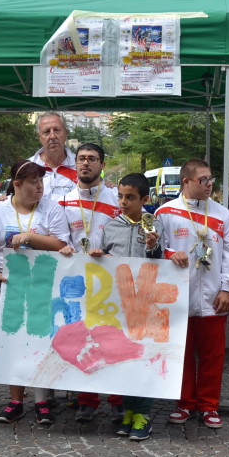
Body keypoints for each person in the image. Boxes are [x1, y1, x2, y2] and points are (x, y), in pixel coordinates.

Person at [0, 159, 69, 425]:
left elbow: (61, 243)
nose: (39, 187)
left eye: (41, 181)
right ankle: (16, 401)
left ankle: (41, 400)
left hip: (42, 287)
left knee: (41, 343)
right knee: (11, 346)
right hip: (7, 288)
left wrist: (30, 237)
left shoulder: (50, 208)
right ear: (17, 184)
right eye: (33, 182)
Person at [157, 159, 229, 429]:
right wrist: (170, 253)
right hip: (179, 296)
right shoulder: (165, 213)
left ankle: (209, 405)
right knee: (183, 352)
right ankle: (185, 402)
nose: (209, 184)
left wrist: (227, 287)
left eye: (211, 179)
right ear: (186, 182)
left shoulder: (223, 214)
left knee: (213, 354)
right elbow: (157, 250)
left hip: (214, 295)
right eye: (203, 180)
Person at [88, 172, 164, 440]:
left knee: (143, 358)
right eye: (120, 196)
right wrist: (98, 256)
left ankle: (143, 414)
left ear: (144, 199)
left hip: (145, 304)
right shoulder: (111, 227)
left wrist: (154, 248)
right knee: (124, 357)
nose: (123, 202)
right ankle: (129, 412)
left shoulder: (155, 224)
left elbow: (161, 261)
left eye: (130, 197)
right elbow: (103, 259)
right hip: (117, 305)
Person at [58, 142, 124, 423]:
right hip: (76, 280)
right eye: (81, 159)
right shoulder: (63, 200)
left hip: (109, 280)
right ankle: (86, 399)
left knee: (112, 338)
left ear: (102, 164)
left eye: (92, 159)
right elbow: (60, 238)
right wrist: (63, 248)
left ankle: (117, 399)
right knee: (81, 337)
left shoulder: (115, 199)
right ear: (75, 163)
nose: (86, 163)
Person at [29, 112, 78, 202]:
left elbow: (98, 191)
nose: (52, 136)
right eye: (46, 132)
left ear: (66, 133)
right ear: (39, 136)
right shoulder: (27, 167)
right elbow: (16, 200)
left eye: (57, 130)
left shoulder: (80, 165)